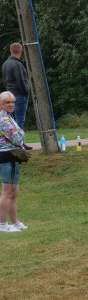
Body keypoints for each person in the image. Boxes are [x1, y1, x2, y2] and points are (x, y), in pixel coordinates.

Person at [0, 91, 28, 232]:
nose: (11, 105)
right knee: (7, 192)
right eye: (7, 102)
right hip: (8, 156)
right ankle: (3, 224)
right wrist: (21, 132)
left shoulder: (9, 117)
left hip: (12, 157)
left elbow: (19, 135)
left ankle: (15, 222)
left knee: (14, 192)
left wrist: (20, 132)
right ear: (1, 104)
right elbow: (18, 138)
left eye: (12, 102)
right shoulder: (4, 120)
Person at [2, 44, 30, 129]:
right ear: (21, 51)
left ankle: (12, 140)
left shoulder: (5, 64)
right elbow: (20, 80)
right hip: (19, 94)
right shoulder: (17, 64)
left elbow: (4, 80)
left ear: (10, 51)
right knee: (20, 119)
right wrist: (26, 90)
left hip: (9, 94)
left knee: (11, 119)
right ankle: (18, 140)